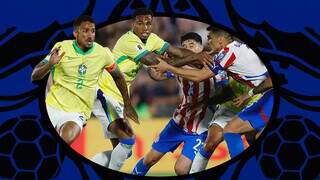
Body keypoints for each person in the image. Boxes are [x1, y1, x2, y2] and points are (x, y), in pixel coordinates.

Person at [91, 8, 212, 171]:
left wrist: (196, 58)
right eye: (140, 23)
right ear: (133, 24)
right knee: (127, 141)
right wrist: (195, 57)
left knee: (123, 151)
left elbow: (176, 52)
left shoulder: (153, 39)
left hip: (118, 96)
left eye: (148, 23)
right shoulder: (129, 41)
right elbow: (155, 64)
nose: (145, 27)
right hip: (104, 92)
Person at [150, 26, 273, 173]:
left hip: (265, 96)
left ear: (220, 41)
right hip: (240, 102)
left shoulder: (228, 53)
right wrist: (167, 65)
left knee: (235, 131)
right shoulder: (229, 53)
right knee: (220, 137)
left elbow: (201, 75)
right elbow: (157, 75)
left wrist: (168, 67)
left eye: (210, 38)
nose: (209, 42)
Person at [31, 15, 137, 145]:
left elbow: (118, 76)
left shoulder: (102, 53)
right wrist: (49, 64)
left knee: (67, 137)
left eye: (92, 31)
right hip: (51, 107)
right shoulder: (62, 47)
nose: (90, 35)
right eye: (85, 31)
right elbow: (34, 76)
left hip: (76, 114)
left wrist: (127, 103)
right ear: (76, 33)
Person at [131, 32, 216, 176]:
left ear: (201, 47)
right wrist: (158, 65)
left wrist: (168, 65)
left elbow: (197, 74)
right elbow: (156, 74)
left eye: (192, 45)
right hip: (178, 122)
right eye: (184, 46)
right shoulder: (180, 64)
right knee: (149, 159)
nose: (188, 48)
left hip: (199, 128)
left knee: (181, 169)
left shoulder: (211, 64)